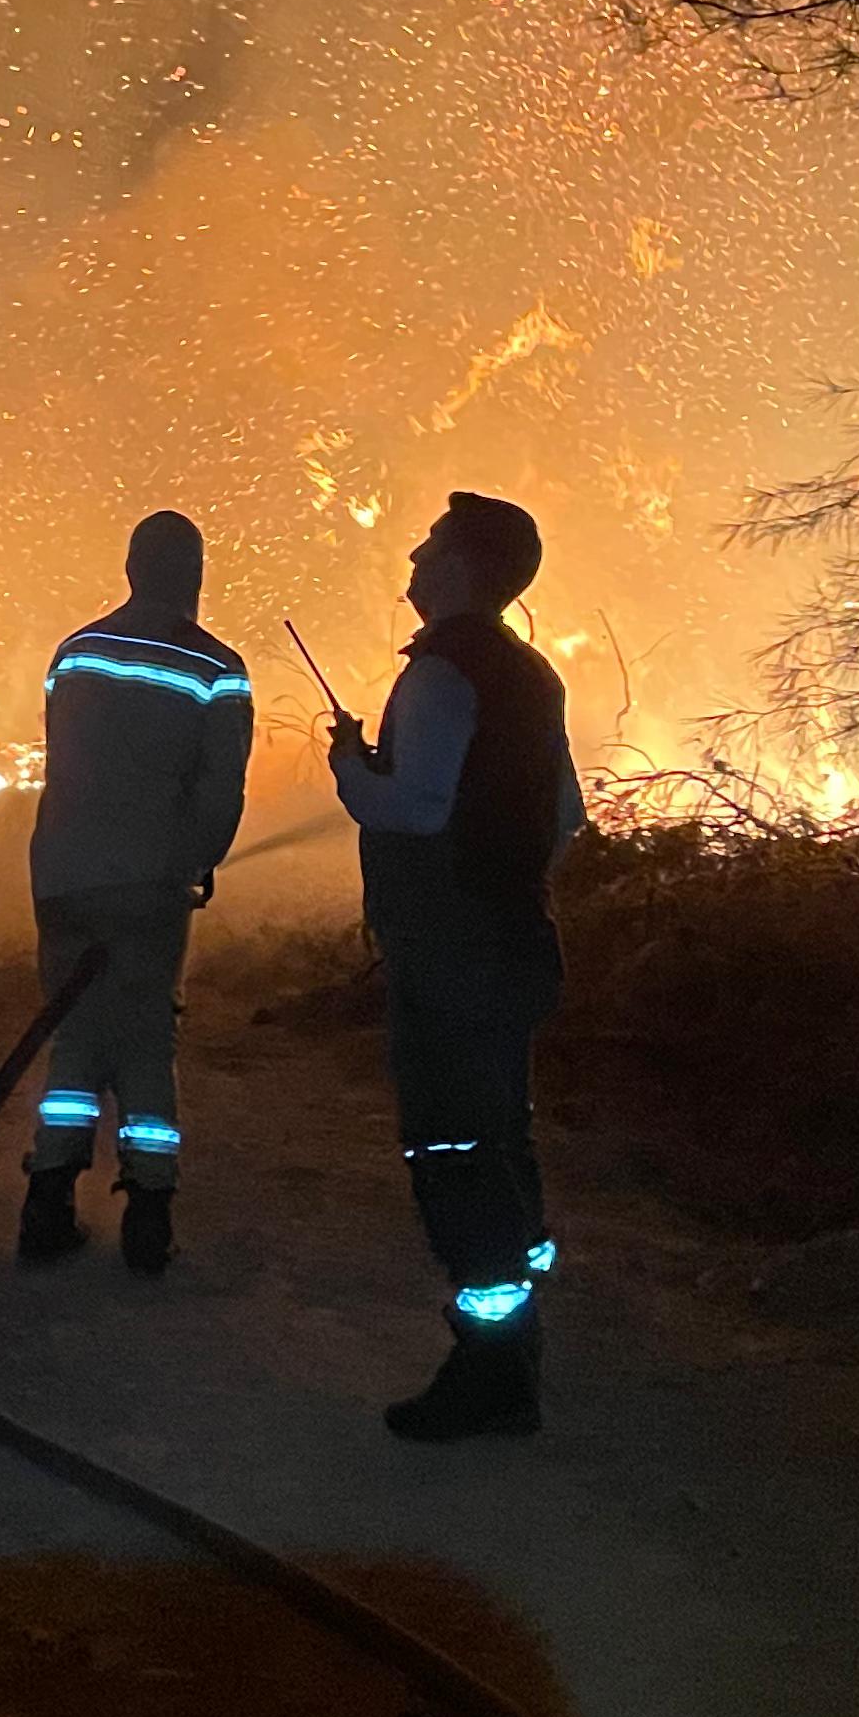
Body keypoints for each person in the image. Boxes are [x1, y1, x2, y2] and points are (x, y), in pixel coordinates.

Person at [330, 489, 586, 1439]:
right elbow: (565, 816)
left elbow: (417, 807)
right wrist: (505, 882)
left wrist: (352, 772)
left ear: (463, 566)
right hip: (514, 945)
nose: (412, 556)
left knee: (453, 1151)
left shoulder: (441, 672)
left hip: (452, 959)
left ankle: (491, 1371)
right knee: (501, 1137)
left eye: (430, 543)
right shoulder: (531, 674)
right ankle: (519, 1328)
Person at [19, 510, 254, 1277]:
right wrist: (193, 863)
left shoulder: (76, 652)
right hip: (149, 887)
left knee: (76, 1035)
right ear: (196, 576)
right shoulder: (218, 669)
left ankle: (47, 1198)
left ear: (129, 570)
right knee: (146, 1042)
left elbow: (63, 758)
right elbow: (220, 794)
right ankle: (149, 1209)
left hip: (63, 877)